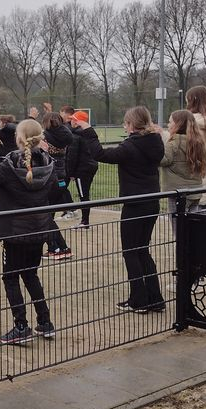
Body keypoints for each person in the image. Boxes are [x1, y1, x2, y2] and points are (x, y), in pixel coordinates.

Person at [0, 119, 57, 344]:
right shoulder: (48, 163)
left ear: (19, 139)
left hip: (15, 232)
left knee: (11, 277)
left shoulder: (10, 167)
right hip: (38, 228)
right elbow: (58, 188)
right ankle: (45, 322)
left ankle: (21, 326)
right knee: (30, 273)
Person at [78, 106, 165, 314]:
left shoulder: (131, 146)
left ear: (132, 125)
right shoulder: (155, 142)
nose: (125, 127)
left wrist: (89, 131)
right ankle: (154, 298)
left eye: (126, 123)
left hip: (135, 205)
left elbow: (101, 154)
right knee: (142, 250)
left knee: (131, 252)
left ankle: (140, 300)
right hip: (150, 202)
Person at [160, 110, 206, 238]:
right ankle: (193, 252)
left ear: (177, 124)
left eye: (170, 122)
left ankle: (183, 253)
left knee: (178, 228)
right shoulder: (198, 142)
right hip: (195, 191)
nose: (168, 125)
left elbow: (163, 160)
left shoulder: (173, 143)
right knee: (192, 226)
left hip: (177, 193)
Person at [40, 111, 74, 260]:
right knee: (48, 215)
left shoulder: (45, 137)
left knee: (44, 216)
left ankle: (57, 247)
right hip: (62, 178)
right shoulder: (65, 136)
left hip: (50, 178)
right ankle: (59, 247)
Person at [66, 110, 98, 227]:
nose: (71, 121)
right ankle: (84, 220)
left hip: (83, 168)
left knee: (84, 195)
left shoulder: (76, 135)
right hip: (91, 166)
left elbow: (72, 156)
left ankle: (85, 222)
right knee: (85, 193)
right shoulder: (87, 133)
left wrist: (71, 172)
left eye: (74, 119)